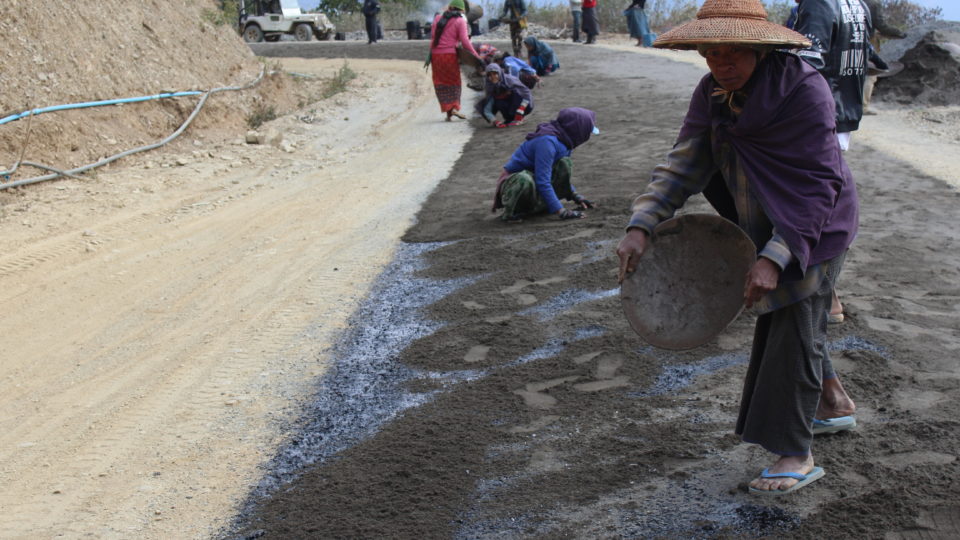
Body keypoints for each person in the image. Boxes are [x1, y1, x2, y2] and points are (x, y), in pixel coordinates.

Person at [616, 0, 859, 495]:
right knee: (795, 316)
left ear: (760, 48)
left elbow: (818, 184)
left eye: (733, 53)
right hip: (755, 216)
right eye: (710, 53)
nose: (721, 63)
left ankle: (796, 452)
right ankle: (832, 403)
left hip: (816, 224)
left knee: (791, 319)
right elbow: (684, 161)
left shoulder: (803, 90)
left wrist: (775, 255)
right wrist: (642, 224)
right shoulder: (712, 93)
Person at [793, 0, 873, 324]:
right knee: (827, 201)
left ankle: (827, 294)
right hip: (843, 112)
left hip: (819, 114)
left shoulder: (818, 4)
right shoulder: (858, 3)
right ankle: (827, 293)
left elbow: (807, 61)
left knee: (814, 204)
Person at [492, 108, 598, 222]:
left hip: (535, 183)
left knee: (564, 163)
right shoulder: (547, 142)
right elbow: (542, 180)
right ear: (577, 130)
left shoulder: (565, 140)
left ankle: (540, 205)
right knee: (524, 179)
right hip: (516, 184)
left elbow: (558, 173)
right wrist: (562, 212)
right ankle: (511, 214)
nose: (588, 134)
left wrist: (576, 196)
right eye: (587, 130)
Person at [428, 0, 481, 121]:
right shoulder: (460, 21)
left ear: (450, 7)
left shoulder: (437, 18)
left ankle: (448, 112)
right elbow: (465, 41)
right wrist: (475, 55)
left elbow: (433, 37)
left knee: (440, 82)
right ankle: (453, 108)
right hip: (450, 56)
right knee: (454, 82)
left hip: (436, 56)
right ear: (462, 11)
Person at [862, 0, 906, 113]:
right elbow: (881, 25)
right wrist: (899, 33)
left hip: (847, 39)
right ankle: (863, 107)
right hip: (867, 42)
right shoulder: (873, 4)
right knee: (869, 74)